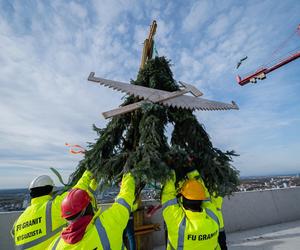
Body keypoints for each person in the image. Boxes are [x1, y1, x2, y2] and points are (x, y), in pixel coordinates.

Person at [12, 169, 96, 250]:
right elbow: (76, 192)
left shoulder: (19, 219)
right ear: (50, 191)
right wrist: (89, 172)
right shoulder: (52, 207)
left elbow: (13, 233)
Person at [48, 172, 135, 249]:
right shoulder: (107, 224)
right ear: (87, 208)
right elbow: (125, 198)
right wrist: (128, 173)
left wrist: (93, 179)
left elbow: (87, 195)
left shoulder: (55, 245)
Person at [161, 170, 221, 249]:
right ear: (201, 199)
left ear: (183, 198)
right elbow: (205, 197)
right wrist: (192, 172)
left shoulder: (177, 221)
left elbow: (168, 195)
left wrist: (172, 169)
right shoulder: (213, 217)